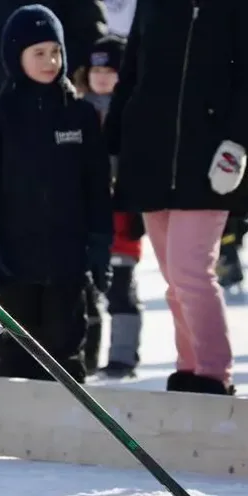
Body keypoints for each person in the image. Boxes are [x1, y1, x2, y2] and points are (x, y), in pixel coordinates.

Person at [106, 0, 248, 395]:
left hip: (210, 159)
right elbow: (133, 68)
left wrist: (236, 142)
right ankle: (188, 369)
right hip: (151, 156)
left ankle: (213, 375)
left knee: (191, 273)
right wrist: (112, 141)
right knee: (174, 279)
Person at [0, 0, 109, 371]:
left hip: (66, 253)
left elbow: (92, 29)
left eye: (53, 53)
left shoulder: (79, 116)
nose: (50, 58)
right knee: (17, 333)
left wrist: (97, 247)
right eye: (43, 53)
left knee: (64, 335)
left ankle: (84, 346)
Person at [78, 35, 144, 379]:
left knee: (120, 289)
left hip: (121, 221)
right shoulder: (75, 110)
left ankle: (123, 356)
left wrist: (139, 214)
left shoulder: (133, 113)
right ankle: (85, 354)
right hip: (83, 221)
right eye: (96, 69)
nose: (102, 76)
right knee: (84, 293)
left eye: (110, 70)